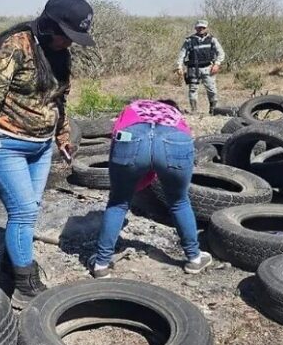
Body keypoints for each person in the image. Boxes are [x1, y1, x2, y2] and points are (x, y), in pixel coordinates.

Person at [0, 0, 95, 308]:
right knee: (24, 212)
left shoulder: (60, 53)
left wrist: (63, 135)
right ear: (51, 25)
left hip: (40, 147)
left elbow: (59, 100)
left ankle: (8, 272)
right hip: (6, 143)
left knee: (29, 210)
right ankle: (25, 287)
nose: (70, 43)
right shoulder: (16, 46)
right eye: (67, 35)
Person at [89, 99, 213, 278]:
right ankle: (194, 258)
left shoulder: (133, 107)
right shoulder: (175, 114)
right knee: (179, 201)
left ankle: (101, 264)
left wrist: (129, 185)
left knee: (118, 203)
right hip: (175, 139)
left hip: (131, 137)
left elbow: (116, 135)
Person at [176, 20, 226, 114]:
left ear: (206, 28)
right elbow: (182, 54)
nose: (201, 29)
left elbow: (221, 53)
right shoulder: (189, 40)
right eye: (199, 27)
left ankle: (213, 110)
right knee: (193, 89)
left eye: (203, 27)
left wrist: (217, 64)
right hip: (193, 69)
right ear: (195, 28)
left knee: (212, 90)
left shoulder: (212, 39)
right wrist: (179, 66)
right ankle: (194, 111)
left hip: (208, 68)